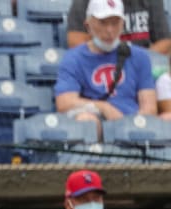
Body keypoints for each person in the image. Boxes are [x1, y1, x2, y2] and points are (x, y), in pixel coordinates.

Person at [55, 0, 157, 131]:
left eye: (115, 23)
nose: (110, 30)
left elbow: (149, 107)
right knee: (86, 121)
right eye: (103, 23)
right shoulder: (73, 58)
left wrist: (132, 125)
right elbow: (64, 102)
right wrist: (103, 107)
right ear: (88, 26)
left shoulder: (139, 56)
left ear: (123, 24)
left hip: (131, 122)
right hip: (96, 119)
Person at [66, 0, 171, 54]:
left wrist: (138, 61)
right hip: (99, 62)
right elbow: (75, 40)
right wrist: (110, 60)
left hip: (139, 68)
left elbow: (165, 42)